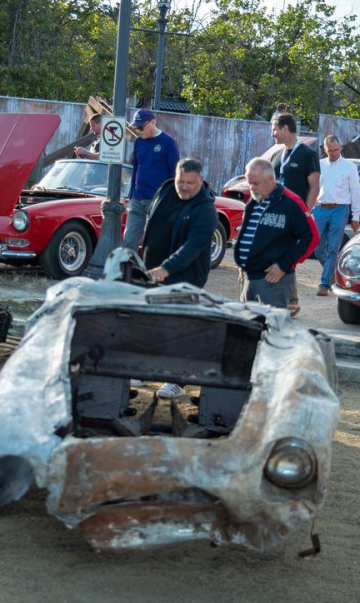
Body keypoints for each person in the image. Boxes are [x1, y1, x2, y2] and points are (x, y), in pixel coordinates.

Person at [142, 157, 219, 400]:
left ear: (201, 181)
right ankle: (145, 369)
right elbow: (152, 220)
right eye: (180, 181)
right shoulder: (166, 189)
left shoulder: (206, 210)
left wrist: (167, 268)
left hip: (186, 277)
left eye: (190, 183)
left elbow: (193, 247)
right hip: (153, 271)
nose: (184, 187)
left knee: (180, 328)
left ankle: (177, 380)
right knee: (150, 325)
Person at [234, 157, 317, 310]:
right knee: (246, 327)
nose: (251, 188)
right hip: (249, 277)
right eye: (249, 183)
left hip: (273, 280)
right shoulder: (253, 203)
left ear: (271, 179)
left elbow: (311, 237)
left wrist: (284, 265)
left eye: (256, 183)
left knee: (272, 328)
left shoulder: (291, 202)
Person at [268, 112, 320, 317]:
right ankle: (285, 300)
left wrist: (306, 214)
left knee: (287, 256)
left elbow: (314, 187)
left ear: (286, 129)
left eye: (274, 129)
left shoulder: (308, 154)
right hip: (272, 214)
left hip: (293, 216)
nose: (272, 133)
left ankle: (291, 301)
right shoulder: (275, 155)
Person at [122, 109, 180, 252]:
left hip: (157, 200)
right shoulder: (138, 143)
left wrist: (171, 199)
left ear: (153, 122)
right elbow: (135, 168)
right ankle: (127, 271)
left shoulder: (168, 142)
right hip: (137, 199)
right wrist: (130, 194)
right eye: (136, 127)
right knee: (129, 238)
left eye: (141, 127)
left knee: (153, 241)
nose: (138, 130)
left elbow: (175, 173)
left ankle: (153, 272)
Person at [312, 135, 360, 296]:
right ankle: (333, 273)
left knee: (333, 247)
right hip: (320, 208)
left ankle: (324, 283)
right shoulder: (319, 165)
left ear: (341, 148)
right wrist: (309, 209)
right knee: (317, 246)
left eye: (336, 150)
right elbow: (313, 188)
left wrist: (356, 216)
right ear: (325, 150)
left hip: (340, 209)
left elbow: (355, 191)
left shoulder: (349, 167)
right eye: (330, 151)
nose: (333, 154)